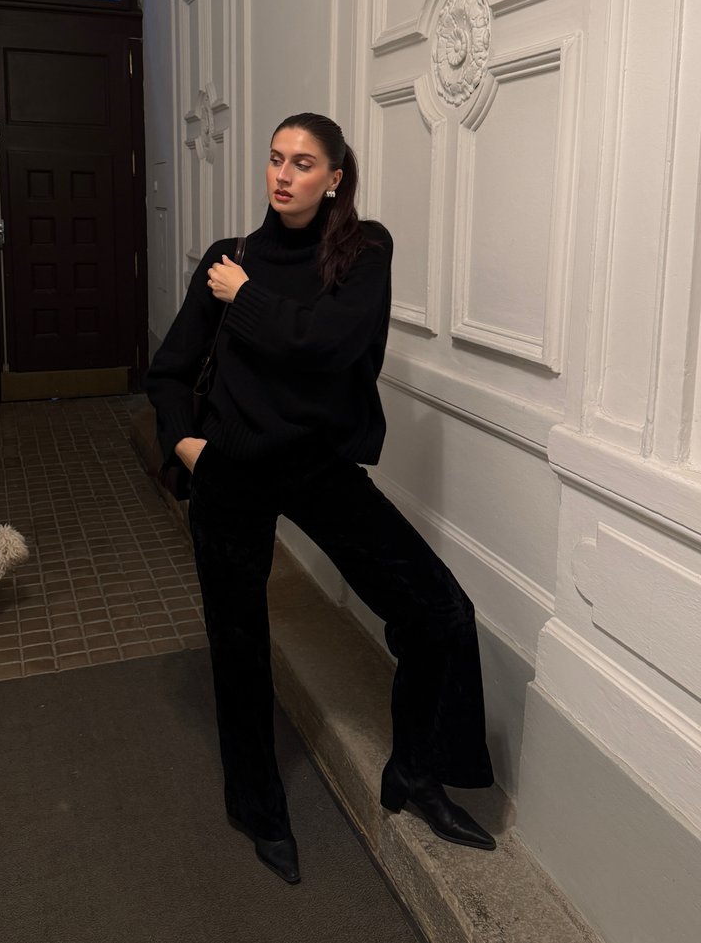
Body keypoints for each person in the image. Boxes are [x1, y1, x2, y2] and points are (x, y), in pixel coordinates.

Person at [146, 112, 495, 885]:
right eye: (276, 158)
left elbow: (331, 344)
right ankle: (258, 806)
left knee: (439, 610)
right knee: (239, 643)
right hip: (232, 470)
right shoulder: (229, 258)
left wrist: (247, 299)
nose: (283, 173)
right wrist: (187, 444)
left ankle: (416, 772)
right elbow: (169, 368)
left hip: (317, 466)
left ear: (335, 177)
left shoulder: (363, 252)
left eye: (303, 162)